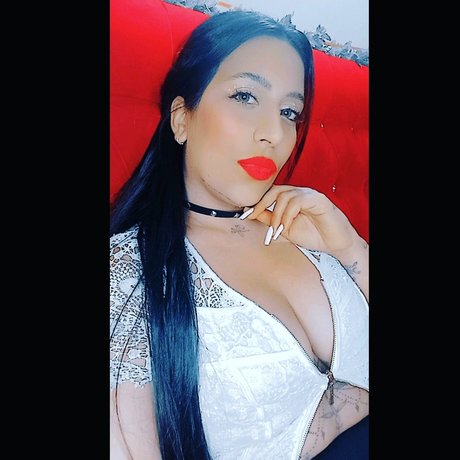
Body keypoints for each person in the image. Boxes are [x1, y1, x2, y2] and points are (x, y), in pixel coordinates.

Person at [110, 8, 369, 460]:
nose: (274, 133)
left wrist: (349, 245)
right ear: (182, 119)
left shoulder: (311, 232)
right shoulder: (127, 274)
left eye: (289, 112)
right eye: (246, 96)